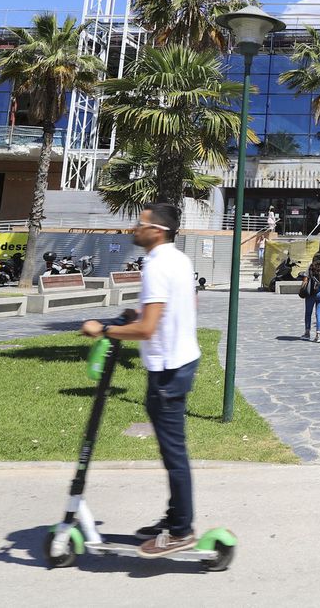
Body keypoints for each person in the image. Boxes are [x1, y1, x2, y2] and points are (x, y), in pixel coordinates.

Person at [80, 202, 201, 558]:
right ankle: (176, 517)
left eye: (140, 224)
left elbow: (147, 330)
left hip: (167, 369)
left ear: (157, 231)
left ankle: (181, 531)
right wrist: (139, 313)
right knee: (172, 450)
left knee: (173, 452)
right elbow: (179, 308)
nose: (134, 228)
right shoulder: (177, 259)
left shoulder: (158, 266)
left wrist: (104, 328)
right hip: (179, 361)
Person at [301, 255, 320, 342]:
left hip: (312, 292)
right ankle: (318, 335)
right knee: (319, 314)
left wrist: (302, 289)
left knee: (308, 313)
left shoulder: (311, 267)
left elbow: (305, 279)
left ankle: (307, 333)